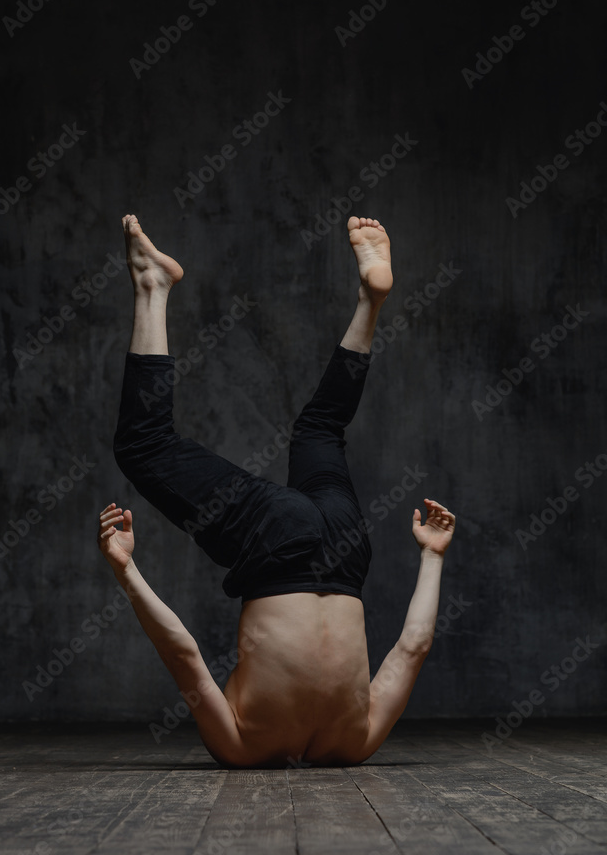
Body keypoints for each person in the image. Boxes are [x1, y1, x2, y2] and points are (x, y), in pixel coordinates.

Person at [98, 213, 456, 769]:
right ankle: (152, 286)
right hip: (277, 544)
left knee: (320, 429)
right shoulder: (243, 748)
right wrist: (126, 571)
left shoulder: (356, 745)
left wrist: (431, 557)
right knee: (143, 446)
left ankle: (370, 301)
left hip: (346, 551)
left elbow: (413, 647)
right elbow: (185, 656)